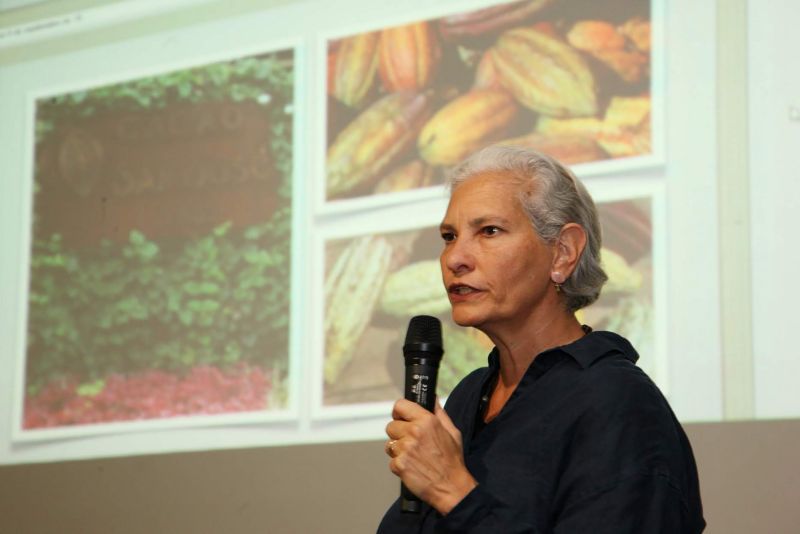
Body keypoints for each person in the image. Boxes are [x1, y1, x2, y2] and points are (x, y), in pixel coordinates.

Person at [377, 145, 705, 533]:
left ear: (563, 253)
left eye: (489, 231)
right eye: (449, 236)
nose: (454, 258)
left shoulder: (618, 403)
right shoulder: (469, 397)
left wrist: (452, 491)